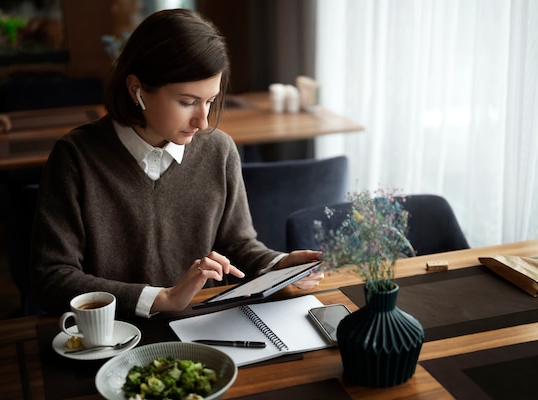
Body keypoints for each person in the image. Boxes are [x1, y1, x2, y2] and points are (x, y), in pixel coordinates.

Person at [30, 8, 323, 319]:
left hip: (206, 330)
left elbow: (238, 246)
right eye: (187, 102)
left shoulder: (219, 151)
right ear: (136, 89)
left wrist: (278, 265)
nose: (203, 119)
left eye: (209, 100)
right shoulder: (75, 157)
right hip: (113, 336)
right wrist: (161, 298)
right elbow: (52, 279)